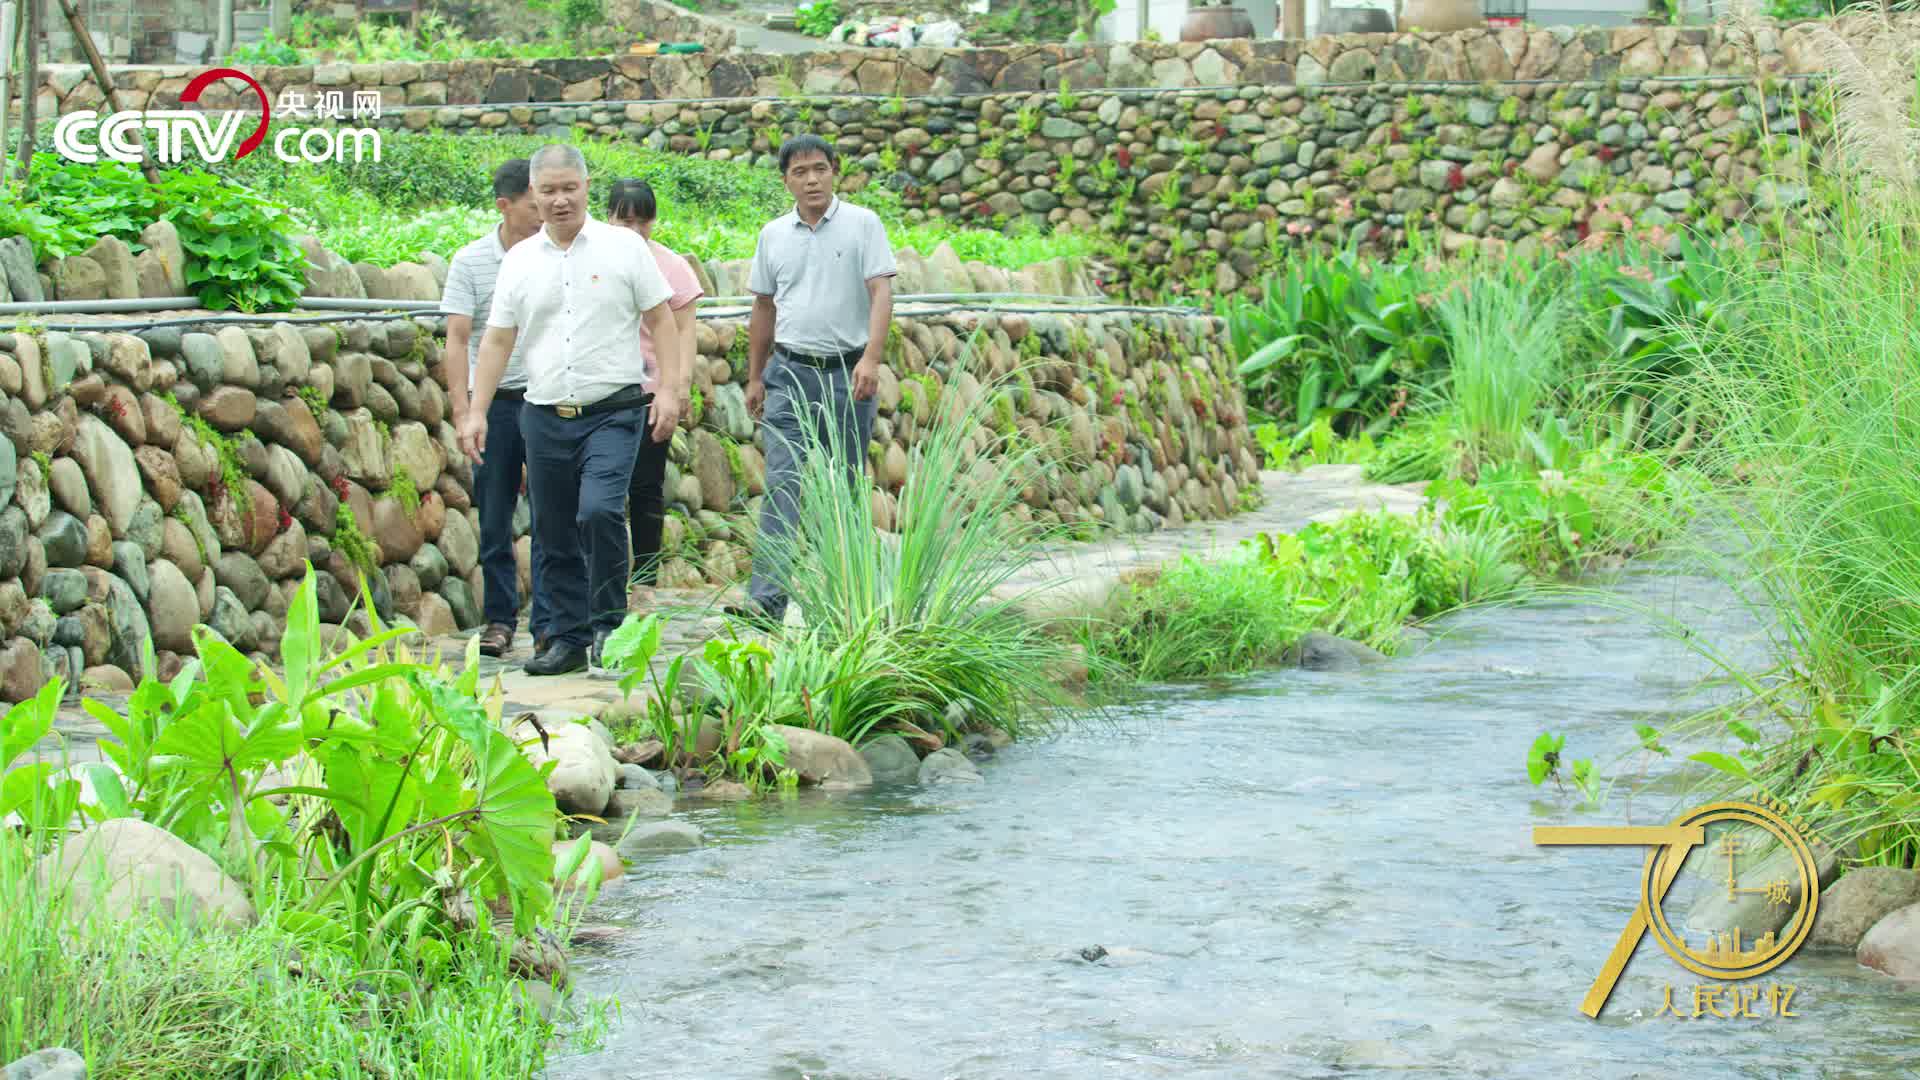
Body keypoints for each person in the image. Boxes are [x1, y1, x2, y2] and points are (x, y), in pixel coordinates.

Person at [459, 144, 684, 676]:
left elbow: (663, 320)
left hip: (614, 409)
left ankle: (609, 624)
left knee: (600, 511)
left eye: (569, 188)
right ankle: (567, 639)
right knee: (553, 529)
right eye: (548, 191)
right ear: (532, 196)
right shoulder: (519, 261)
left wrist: (670, 390)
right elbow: (495, 342)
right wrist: (475, 411)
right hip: (543, 413)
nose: (559, 200)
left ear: (586, 187)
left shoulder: (624, 249)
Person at [729, 134, 897, 631]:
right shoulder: (773, 235)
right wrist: (755, 376)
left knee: (843, 487)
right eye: (800, 172)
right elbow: (763, 307)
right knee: (783, 481)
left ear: (835, 171)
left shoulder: (863, 225)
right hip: (789, 374)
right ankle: (766, 600)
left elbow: (881, 292)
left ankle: (846, 598)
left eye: (819, 169)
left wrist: (871, 357)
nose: (811, 180)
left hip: (849, 377)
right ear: (786, 180)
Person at [441, 158, 549, 659]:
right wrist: (464, 412)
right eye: (534, 205)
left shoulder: (557, 255)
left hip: (548, 402)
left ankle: (550, 619)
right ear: (505, 206)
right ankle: (500, 620)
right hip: (496, 406)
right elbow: (458, 338)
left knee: (555, 514)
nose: (544, 212)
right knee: (494, 517)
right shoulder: (471, 261)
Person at [607, 178, 703, 597]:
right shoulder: (592, 260)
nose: (633, 230)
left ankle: (644, 579)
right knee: (601, 491)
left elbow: (685, 331)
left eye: (641, 221)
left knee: (645, 486)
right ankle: (604, 581)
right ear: (608, 217)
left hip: (651, 391)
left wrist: (677, 386)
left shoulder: (671, 267)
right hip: (603, 390)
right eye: (624, 220)